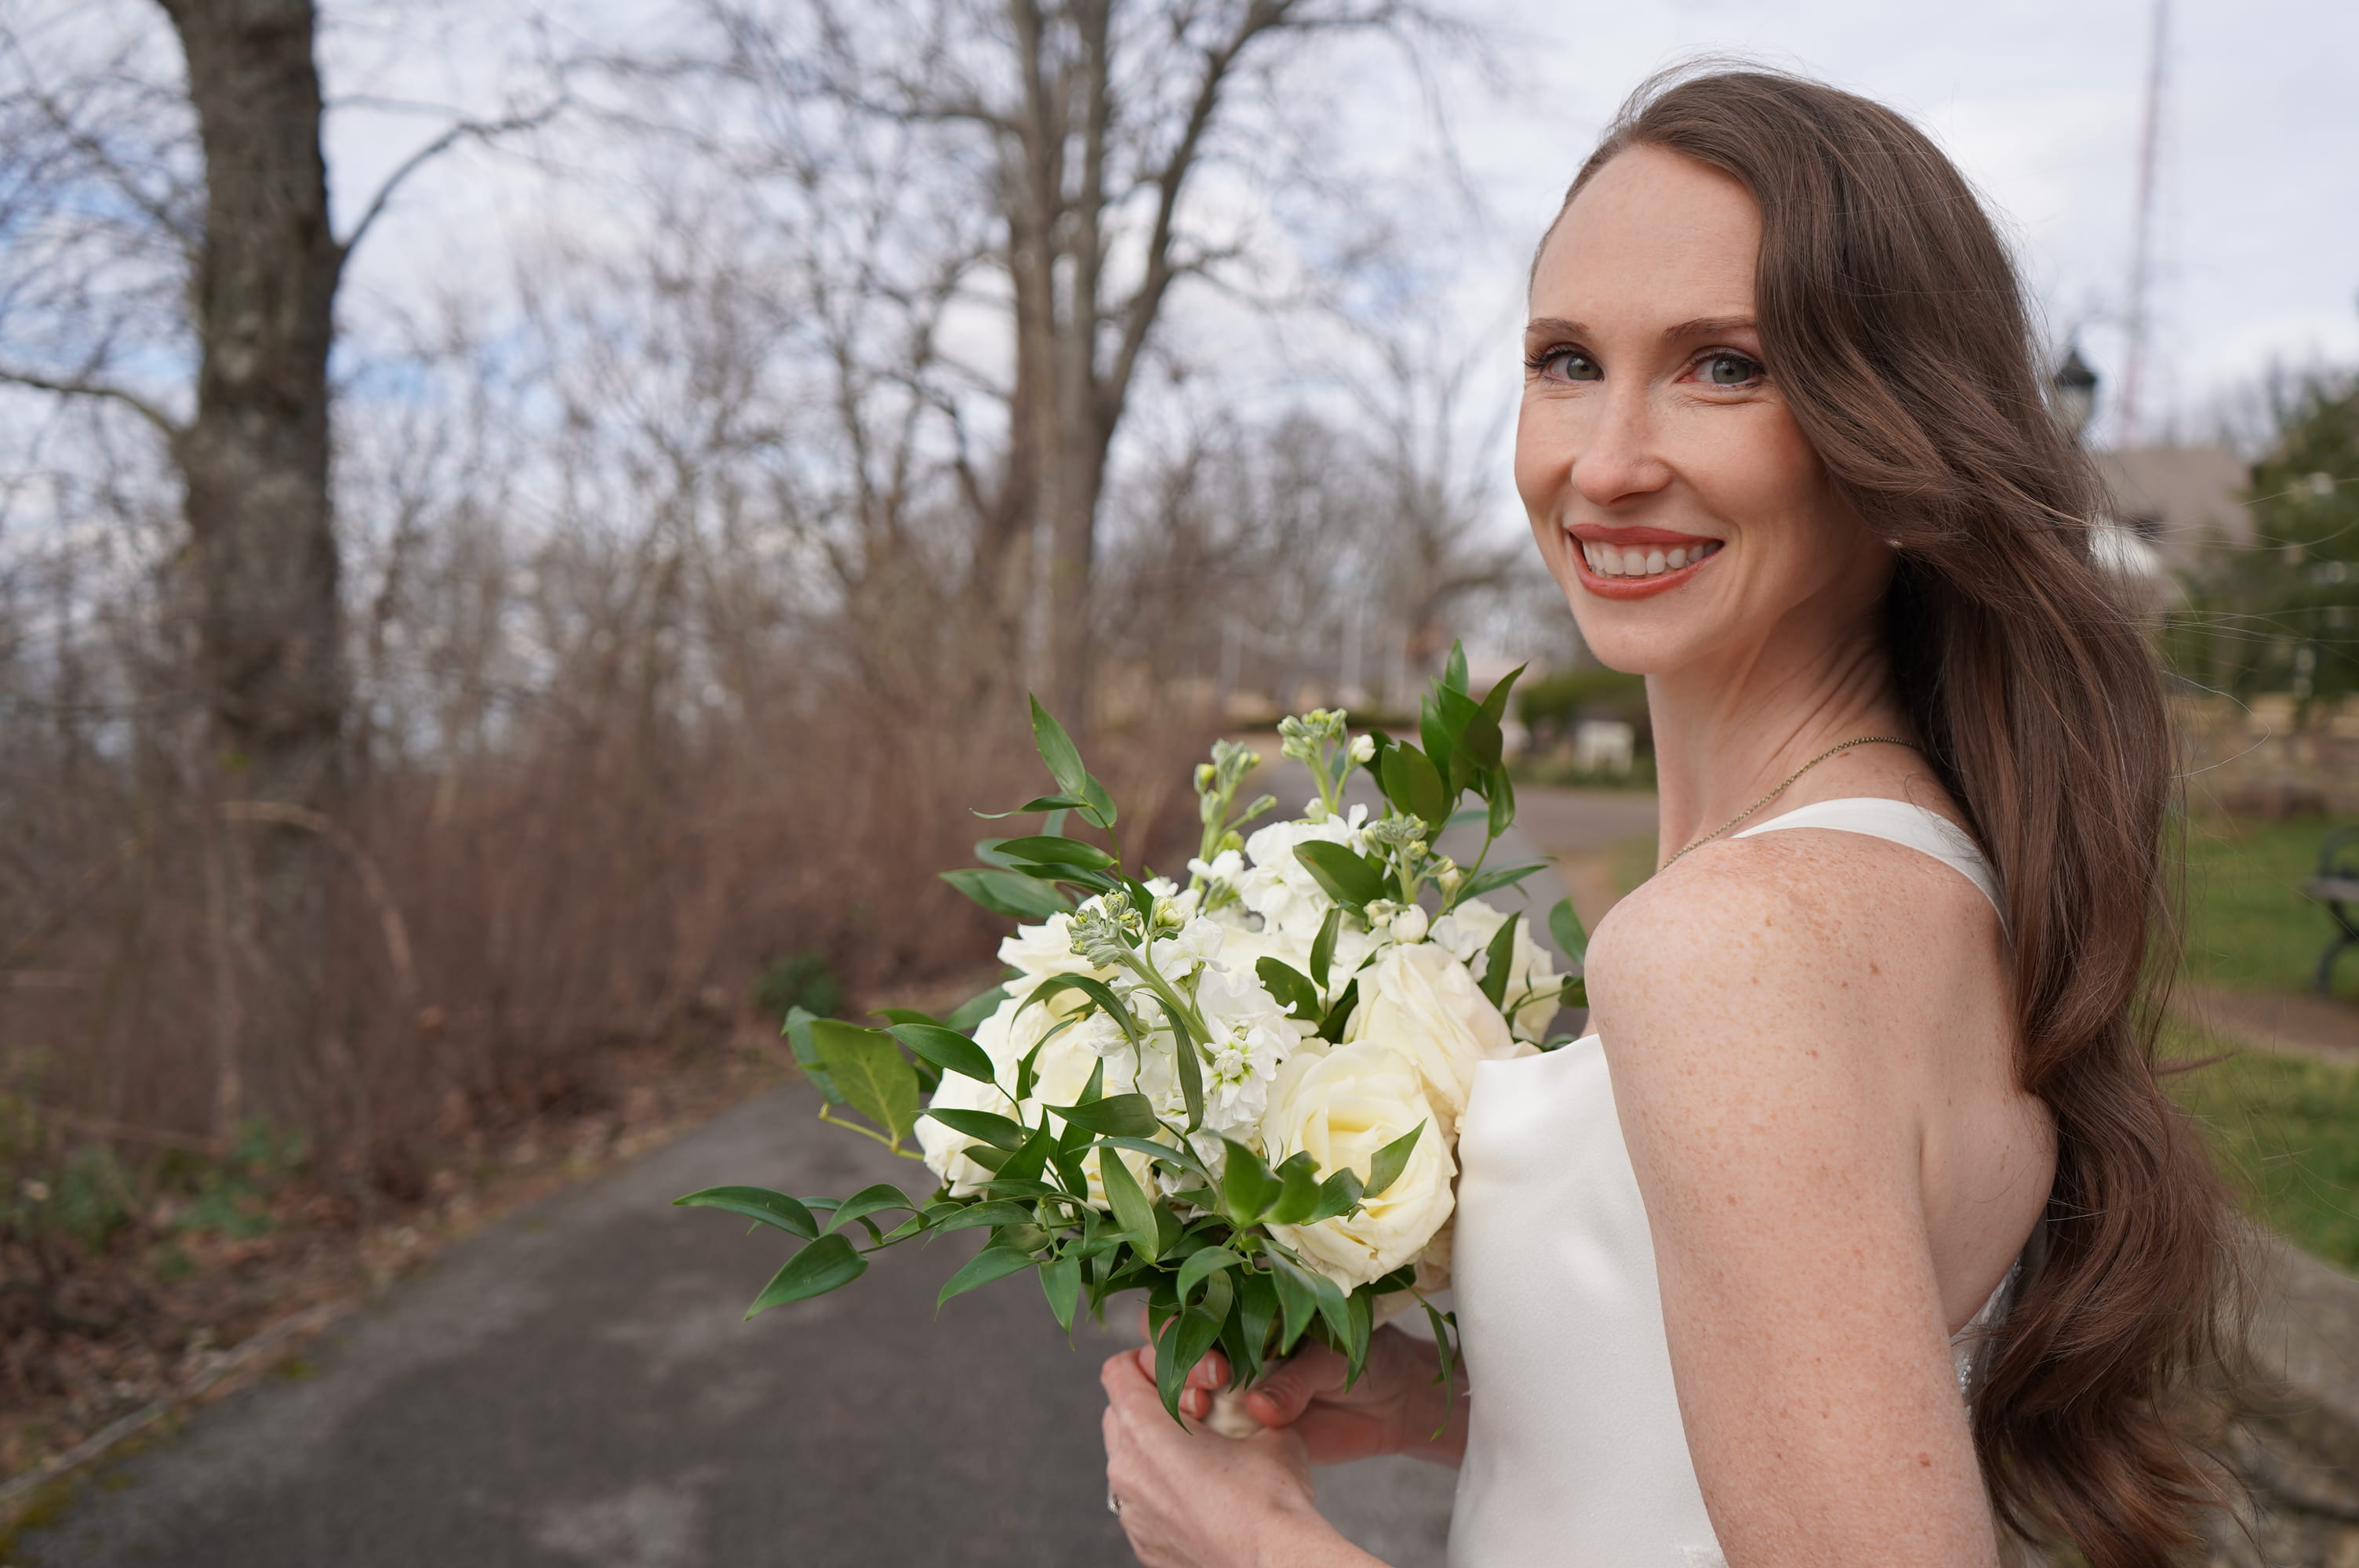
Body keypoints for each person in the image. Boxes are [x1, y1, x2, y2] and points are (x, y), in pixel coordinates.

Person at [1098, 67, 2236, 1568]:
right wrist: (1449, 1403)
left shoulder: (1733, 946)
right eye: (1568, 361)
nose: (1609, 463)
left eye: (1724, 367)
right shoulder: (1922, 864)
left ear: (1895, 438)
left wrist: (1255, 1547)